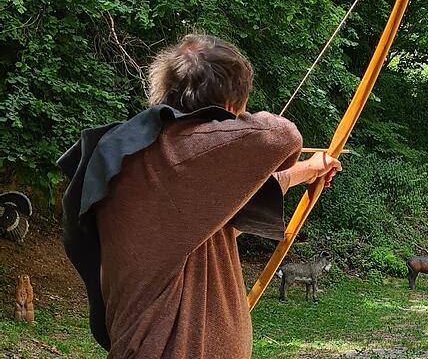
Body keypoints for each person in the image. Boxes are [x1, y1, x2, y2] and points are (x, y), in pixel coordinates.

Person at [59, 34, 341, 358]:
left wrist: (308, 170)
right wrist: (235, 120)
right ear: (228, 107)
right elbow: (283, 135)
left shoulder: (156, 165)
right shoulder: (170, 157)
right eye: (238, 111)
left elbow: (231, 206)